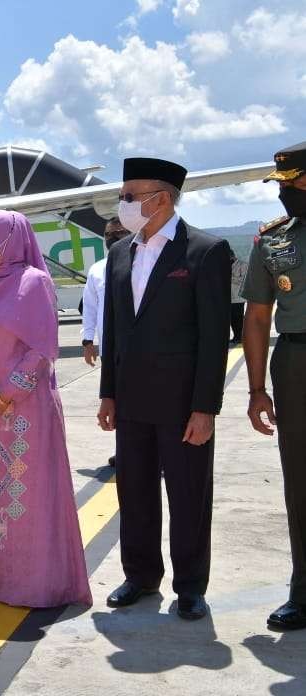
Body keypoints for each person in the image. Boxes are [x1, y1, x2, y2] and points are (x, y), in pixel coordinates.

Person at [98, 157, 231, 621]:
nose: (124, 204)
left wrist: (205, 408)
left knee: (189, 494)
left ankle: (191, 585)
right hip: (131, 401)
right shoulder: (120, 254)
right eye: (124, 195)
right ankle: (139, 575)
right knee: (133, 492)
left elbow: (215, 338)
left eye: (131, 195)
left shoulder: (204, 252)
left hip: (181, 404)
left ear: (162, 198)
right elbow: (112, 329)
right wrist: (108, 394)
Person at [0, 210, 91, 608]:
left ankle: (30, 581)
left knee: (24, 496)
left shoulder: (35, 283)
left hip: (26, 409)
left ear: (9, 243)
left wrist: (6, 395)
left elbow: (42, 350)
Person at [242, 140, 306, 632]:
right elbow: (258, 318)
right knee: (300, 481)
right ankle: (303, 592)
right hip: (296, 362)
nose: (288, 194)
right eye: (282, 186)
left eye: (296, 181)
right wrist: (257, 389)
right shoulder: (273, 240)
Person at [82, 219, 131, 468]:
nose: (114, 238)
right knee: (116, 404)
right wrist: (87, 340)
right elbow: (89, 308)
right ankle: (124, 451)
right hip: (109, 350)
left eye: (120, 233)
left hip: (139, 348)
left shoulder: (141, 264)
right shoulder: (97, 270)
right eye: (109, 234)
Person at [230, 249, 248, 345]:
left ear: (233, 256)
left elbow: (244, 280)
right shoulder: (224, 266)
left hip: (238, 297)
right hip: (229, 297)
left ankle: (241, 336)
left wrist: (230, 277)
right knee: (232, 319)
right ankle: (236, 336)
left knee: (239, 318)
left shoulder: (242, 265)